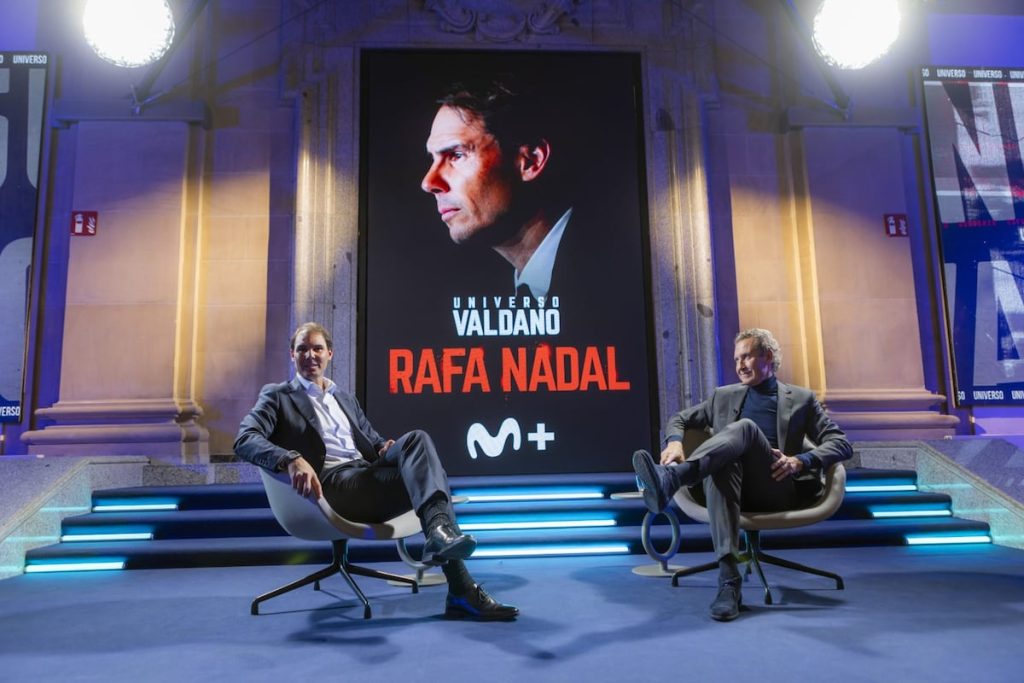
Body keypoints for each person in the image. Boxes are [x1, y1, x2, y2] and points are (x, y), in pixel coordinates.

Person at [235, 322, 518, 621]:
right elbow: (245, 439)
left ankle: (440, 534)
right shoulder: (278, 396)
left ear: (330, 353)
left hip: (365, 475)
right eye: (302, 349)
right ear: (292, 355)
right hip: (333, 485)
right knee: (431, 480)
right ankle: (461, 586)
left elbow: (372, 441)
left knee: (418, 441)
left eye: (317, 348)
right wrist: (290, 459)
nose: (310, 355)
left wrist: (384, 448)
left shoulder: (344, 398)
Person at [631, 328, 852, 622]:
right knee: (724, 465)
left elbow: (841, 443)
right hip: (729, 486)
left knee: (745, 428)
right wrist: (674, 442)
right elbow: (679, 419)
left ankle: (673, 478)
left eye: (746, 357)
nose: (740, 365)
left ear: (768, 356)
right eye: (736, 359)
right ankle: (729, 581)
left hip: (775, 486)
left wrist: (800, 461)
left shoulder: (802, 399)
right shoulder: (723, 396)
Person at [420, 77, 575, 299]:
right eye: (433, 159)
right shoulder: (498, 291)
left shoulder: (612, 270)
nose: (428, 183)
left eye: (457, 155)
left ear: (530, 161)